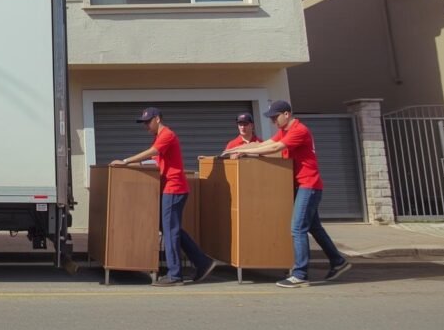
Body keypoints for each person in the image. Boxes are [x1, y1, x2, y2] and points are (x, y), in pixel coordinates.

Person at [222, 100, 352, 287]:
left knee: (298, 228)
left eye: (275, 117)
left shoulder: (299, 130)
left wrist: (248, 153)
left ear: (286, 114)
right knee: (314, 227)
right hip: (303, 185)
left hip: (309, 184)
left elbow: (275, 148)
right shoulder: (285, 131)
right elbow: (267, 142)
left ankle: (300, 274)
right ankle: (338, 261)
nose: (273, 121)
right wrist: (236, 149)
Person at [111, 107, 218, 287]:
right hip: (170, 188)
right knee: (170, 227)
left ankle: (175, 275)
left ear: (158, 119)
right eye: (144, 122)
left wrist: (126, 161)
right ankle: (202, 262)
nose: (146, 126)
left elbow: (153, 152)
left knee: (170, 231)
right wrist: (134, 164)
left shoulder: (167, 134)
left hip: (174, 188)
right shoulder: (159, 137)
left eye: (148, 121)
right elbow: (155, 160)